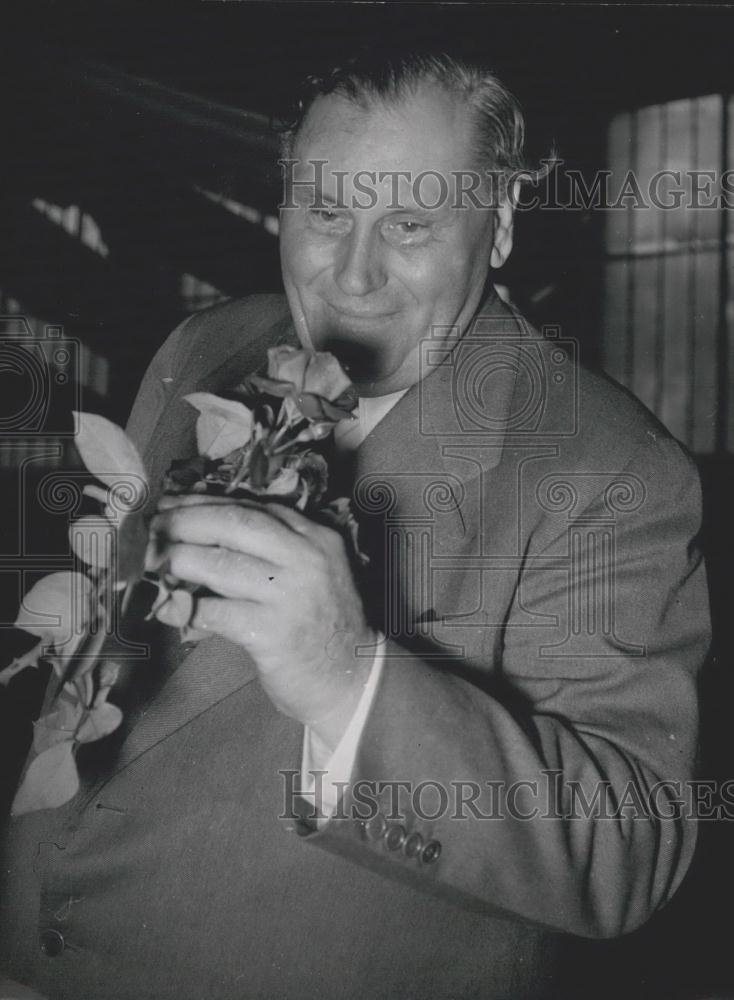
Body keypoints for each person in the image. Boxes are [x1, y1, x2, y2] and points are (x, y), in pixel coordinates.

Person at [0, 49, 710, 1000]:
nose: (353, 275)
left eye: (411, 224)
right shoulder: (206, 345)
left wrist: (350, 679)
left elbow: (630, 849)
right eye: (325, 211)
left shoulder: (609, 467)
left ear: (498, 227)